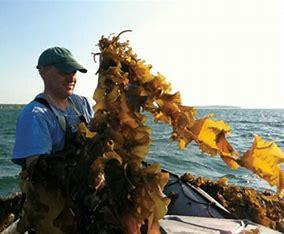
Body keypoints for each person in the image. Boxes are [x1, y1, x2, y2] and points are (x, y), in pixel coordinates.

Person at [12, 46, 94, 169]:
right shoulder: (35, 115)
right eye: (64, 71)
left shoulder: (83, 104)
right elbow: (36, 171)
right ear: (43, 72)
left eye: (73, 72)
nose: (71, 78)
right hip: (61, 186)